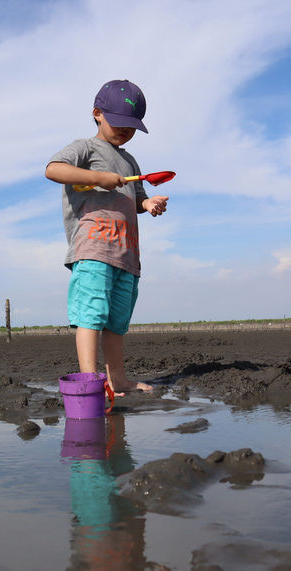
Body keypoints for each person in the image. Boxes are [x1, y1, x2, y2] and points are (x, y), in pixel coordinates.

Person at [45, 79, 168, 396]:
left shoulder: (129, 161)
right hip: (93, 249)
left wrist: (147, 204)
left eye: (132, 127)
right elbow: (54, 169)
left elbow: (136, 196)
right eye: (120, 123)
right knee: (91, 315)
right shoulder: (84, 149)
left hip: (127, 256)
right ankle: (90, 382)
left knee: (116, 323)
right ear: (97, 113)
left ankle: (118, 380)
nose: (126, 131)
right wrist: (98, 177)